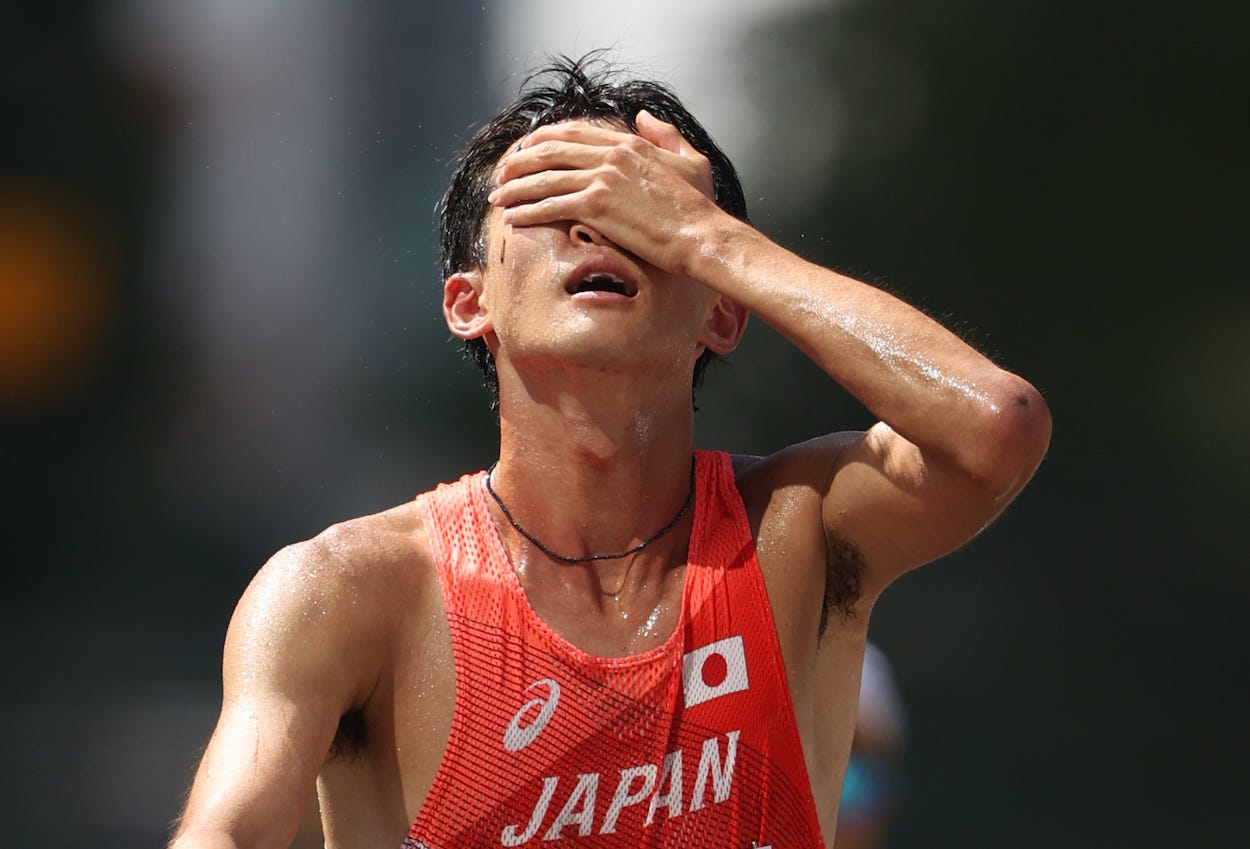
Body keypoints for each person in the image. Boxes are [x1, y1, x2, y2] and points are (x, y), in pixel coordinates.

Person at [168, 55, 1050, 849]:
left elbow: (995, 427)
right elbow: (226, 831)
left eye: (637, 208)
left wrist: (710, 238)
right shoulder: (346, 592)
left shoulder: (798, 530)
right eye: (554, 198)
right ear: (468, 302)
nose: (596, 230)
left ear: (721, 310)